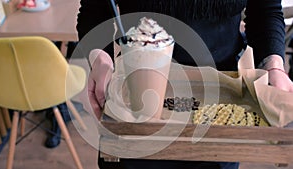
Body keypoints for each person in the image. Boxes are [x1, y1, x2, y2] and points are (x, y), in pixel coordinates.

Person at [76, 0, 293, 169]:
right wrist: (99, 59)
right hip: (137, 90)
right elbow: (96, 10)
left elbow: (265, 11)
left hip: (222, 96)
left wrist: (274, 64)